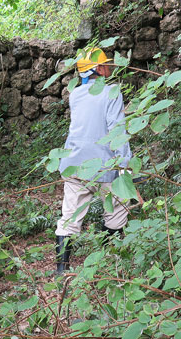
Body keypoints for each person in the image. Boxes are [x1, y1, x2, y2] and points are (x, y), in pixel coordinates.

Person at [55, 48, 132, 274]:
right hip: (105, 164)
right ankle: (114, 265)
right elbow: (116, 128)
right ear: (98, 68)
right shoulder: (112, 91)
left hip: (75, 161)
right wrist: (124, 165)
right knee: (116, 212)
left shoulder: (75, 95)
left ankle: (61, 272)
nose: (109, 67)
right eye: (106, 64)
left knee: (70, 216)